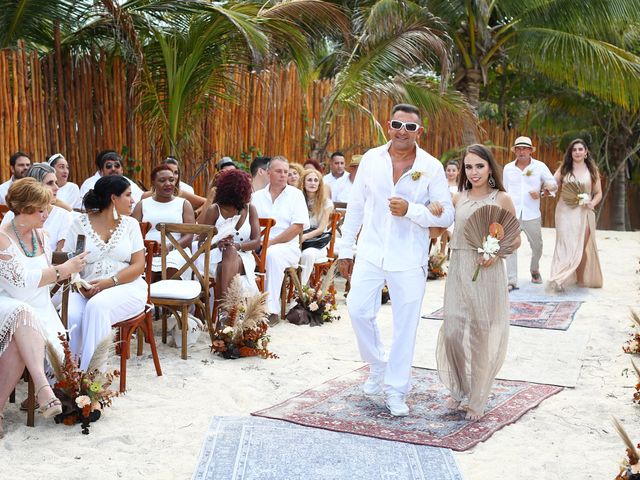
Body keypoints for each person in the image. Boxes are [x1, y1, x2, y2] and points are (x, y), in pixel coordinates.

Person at [337, 103, 454, 417]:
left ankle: (396, 389)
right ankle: (377, 365)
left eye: (410, 127)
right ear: (388, 127)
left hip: (409, 257)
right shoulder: (372, 160)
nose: (402, 131)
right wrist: (345, 249)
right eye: (397, 124)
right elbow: (356, 206)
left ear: (420, 132)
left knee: (405, 326)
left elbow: (447, 212)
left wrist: (412, 210)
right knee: (358, 309)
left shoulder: (431, 166)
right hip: (371, 251)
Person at [434, 144, 519, 421]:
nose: (474, 172)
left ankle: (478, 398)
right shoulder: (458, 198)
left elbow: (514, 237)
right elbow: (443, 228)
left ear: (490, 167)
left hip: (487, 270)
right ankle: (461, 388)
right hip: (458, 268)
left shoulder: (501, 198)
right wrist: (433, 211)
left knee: (480, 335)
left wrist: (495, 253)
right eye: (468, 167)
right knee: (452, 332)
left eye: (479, 166)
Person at [0, 178, 87, 436]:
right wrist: (63, 269)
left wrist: (75, 276)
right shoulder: (3, 239)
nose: (46, 214)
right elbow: (21, 287)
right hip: (7, 304)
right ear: (23, 209)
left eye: (47, 207)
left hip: (39, 309)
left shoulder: (42, 235)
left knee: (20, 340)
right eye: (40, 209)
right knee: (21, 312)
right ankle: (42, 387)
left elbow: (44, 283)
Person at [65, 176, 147, 370]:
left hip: (127, 286)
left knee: (98, 306)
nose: (133, 200)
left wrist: (108, 283)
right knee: (71, 315)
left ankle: (92, 378)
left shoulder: (130, 225)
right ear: (113, 198)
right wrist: (79, 284)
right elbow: (72, 262)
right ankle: (67, 377)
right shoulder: (80, 225)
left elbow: (138, 266)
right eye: (128, 195)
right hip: (86, 287)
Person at [252, 156, 309, 324]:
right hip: (257, 245)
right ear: (269, 173)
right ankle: (240, 309)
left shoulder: (296, 195)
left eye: (286, 171)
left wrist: (269, 243)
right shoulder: (257, 197)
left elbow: (298, 227)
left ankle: (271, 311)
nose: (283, 175)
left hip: (287, 247)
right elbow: (250, 223)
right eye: (278, 171)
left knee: (271, 255)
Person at [548, 139, 603, 291]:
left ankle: (580, 279)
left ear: (586, 152)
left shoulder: (592, 170)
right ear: (570, 153)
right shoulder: (564, 168)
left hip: (584, 212)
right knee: (564, 245)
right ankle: (558, 279)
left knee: (581, 246)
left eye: (580, 149)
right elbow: (553, 184)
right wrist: (547, 187)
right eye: (574, 150)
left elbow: (598, 193)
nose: (577, 152)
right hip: (564, 212)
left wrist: (592, 203)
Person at [503, 136, 557, 291]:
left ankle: (534, 269)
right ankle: (511, 280)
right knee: (511, 245)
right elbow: (504, 190)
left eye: (524, 148)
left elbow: (553, 185)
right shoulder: (508, 168)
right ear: (514, 151)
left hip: (531, 213)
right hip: (511, 213)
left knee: (537, 246)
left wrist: (542, 191)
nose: (521, 151)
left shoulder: (540, 166)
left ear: (530, 150)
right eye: (518, 148)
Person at [199, 169, 260, 302]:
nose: (250, 192)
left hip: (243, 257)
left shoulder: (251, 209)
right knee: (226, 257)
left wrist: (237, 245)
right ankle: (229, 308)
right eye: (248, 189)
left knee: (230, 251)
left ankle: (225, 308)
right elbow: (201, 244)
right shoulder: (215, 210)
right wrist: (217, 243)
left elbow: (256, 242)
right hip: (215, 255)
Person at [132, 165, 195, 280]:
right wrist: (149, 248)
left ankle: (171, 297)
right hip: (147, 250)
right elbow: (133, 233)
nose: (168, 184)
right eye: (162, 180)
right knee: (144, 269)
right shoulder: (142, 204)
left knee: (170, 266)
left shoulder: (184, 204)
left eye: (171, 180)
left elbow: (189, 235)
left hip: (176, 250)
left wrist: (169, 247)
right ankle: (147, 297)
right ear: (153, 183)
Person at [1, 163, 73, 252]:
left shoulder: (63, 216)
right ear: (35, 187)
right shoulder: (13, 214)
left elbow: (62, 254)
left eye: (56, 183)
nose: (56, 188)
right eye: (50, 183)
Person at [300, 169, 333, 285]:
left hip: (317, 243)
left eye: (316, 180)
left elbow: (321, 229)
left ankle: (300, 290)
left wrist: (304, 237)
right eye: (309, 180)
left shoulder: (326, 203)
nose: (313, 183)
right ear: (303, 183)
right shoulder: (297, 200)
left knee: (307, 254)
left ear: (320, 184)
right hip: (298, 240)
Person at [79, 151, 144, 208]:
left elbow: (141, 197)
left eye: (117, 165)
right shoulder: (91, 185)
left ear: (122, 170)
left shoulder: (126, 181)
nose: (113, 169)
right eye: (108, 166)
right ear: (101, 171)